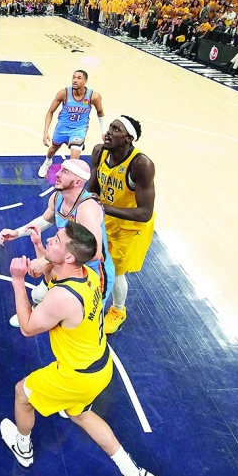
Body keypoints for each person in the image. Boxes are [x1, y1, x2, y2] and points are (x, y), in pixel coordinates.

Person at [0, 221, 160, 476]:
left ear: (70, 257)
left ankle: (23, 447)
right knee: (81, 414)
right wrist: (39, 248)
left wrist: (18, 280)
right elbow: (51, 275)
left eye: (56, 239)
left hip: (75, 375)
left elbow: (27, 326)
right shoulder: (87, 274)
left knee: (22, 393)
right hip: (99, 365)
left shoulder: (63, 297)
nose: (51, 238)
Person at [0, 159, 114, 322]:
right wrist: (17, 232)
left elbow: (94, 253)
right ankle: (35, 313)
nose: (57, 174)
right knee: (39, 294)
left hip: (92, 271)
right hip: (67, 261)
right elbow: (46, 219)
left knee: (88, 318)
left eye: (65, 172)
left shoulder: (86, 208)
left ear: (78, 182)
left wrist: (45, 260)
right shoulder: (57, 197)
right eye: (60, 170)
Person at [86, 116, 155, 334]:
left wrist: (103, 207)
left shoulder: (141, 164)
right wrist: (83, 202)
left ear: (128, 138)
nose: (108, 132)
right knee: (96, 260)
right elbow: (93, 185)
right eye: (109, 128)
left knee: (115, 271)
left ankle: (118, 310)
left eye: (116, 130)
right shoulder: (99, 151)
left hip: (131, 226)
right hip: (106, 217)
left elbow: (145, 212)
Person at [38, 70, 105, 178]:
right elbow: (50, 111)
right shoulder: (64, 93)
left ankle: (68, 181)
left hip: (78, 129)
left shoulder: (94, 96)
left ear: (85, 81)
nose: (75, 80)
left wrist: (103, 131)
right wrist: (45, 132)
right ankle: (47, 162)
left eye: (79, 78)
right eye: (73, 77)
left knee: (74, 161)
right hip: (62, 128)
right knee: (52, 150)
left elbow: (100, 112)